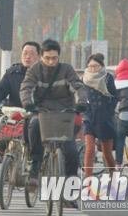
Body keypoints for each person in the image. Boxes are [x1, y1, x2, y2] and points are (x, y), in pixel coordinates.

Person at [20, 39, 88, 192]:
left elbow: (78, 87)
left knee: (71, 153)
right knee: (34, 124)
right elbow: (26, 88)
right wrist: (27, 103)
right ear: (41, 56)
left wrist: (82, 101)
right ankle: (35, 166)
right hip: (42, 112)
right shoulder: (34, 70)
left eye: (54, 58)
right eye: (47, 58)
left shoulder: (67, 70)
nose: (51, 61)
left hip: (64, 114)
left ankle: (71, 192)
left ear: (59, 57)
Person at [0, 41, 40, 162]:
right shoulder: (12, 73)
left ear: (39, 57)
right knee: (2, 135)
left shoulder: (44, 75)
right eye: (25, 53)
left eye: (31, 54)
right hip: (15, 114)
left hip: (36, 115)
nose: (27, 56)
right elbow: (0, 89)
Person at [81, 53, 117, 177]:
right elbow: (80, 96)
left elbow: (115, 96)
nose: (92, 69)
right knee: (89, 150)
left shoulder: (108, 78)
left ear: (101, 66)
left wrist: (109, 111)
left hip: (105, 119)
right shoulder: (84, 79)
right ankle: (88, 180)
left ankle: (113, 174)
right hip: (89, 118)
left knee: (107, 153)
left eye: (95, 66)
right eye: (90, 66)